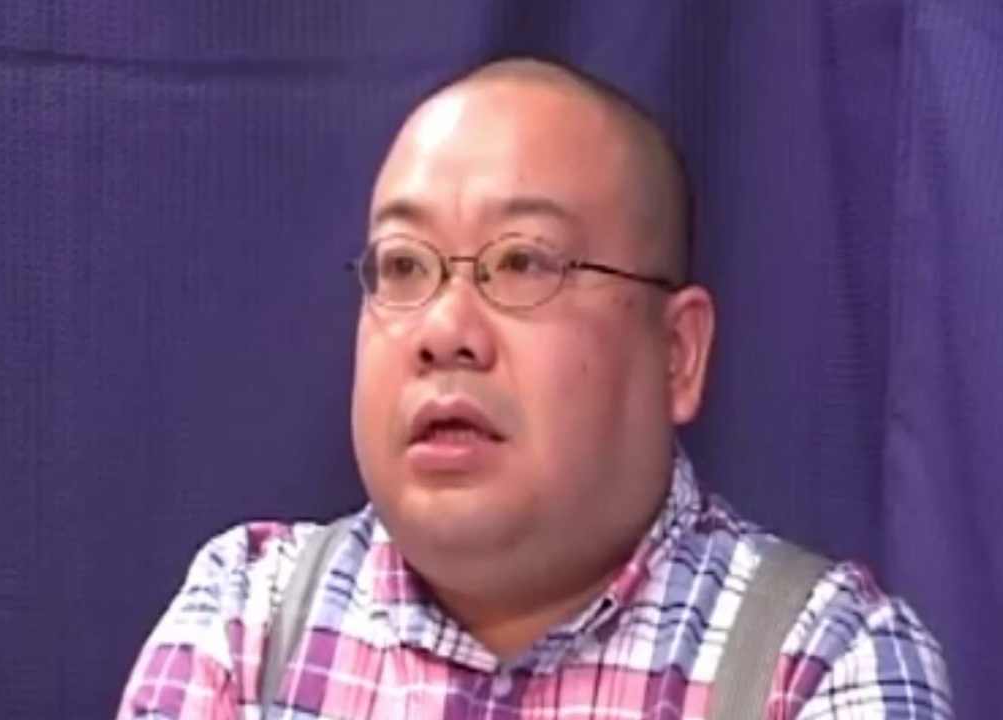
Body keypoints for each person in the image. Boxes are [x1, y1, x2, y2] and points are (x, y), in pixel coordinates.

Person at [116, 57, 952, 720]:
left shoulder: (820, 662)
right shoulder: (247, 620)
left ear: (677, 354)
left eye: (521, 262)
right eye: (403, 266)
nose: (445, 329)